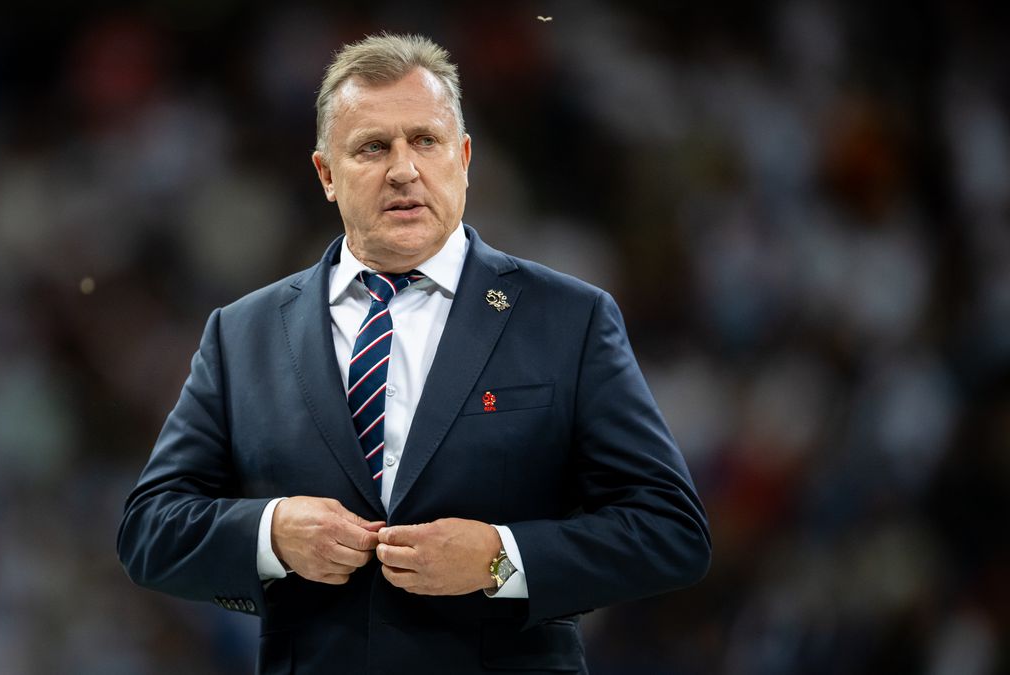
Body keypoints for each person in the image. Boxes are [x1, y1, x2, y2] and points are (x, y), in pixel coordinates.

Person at [117, 33, 710, 674]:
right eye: (373, 147)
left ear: (463, 157)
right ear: (326, 175)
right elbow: (150, 530)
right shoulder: (242, 334)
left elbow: (670, 530)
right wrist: (272, 534)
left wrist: (499, 557)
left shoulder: (569, 319)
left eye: (424, 141)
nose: (404, 169)